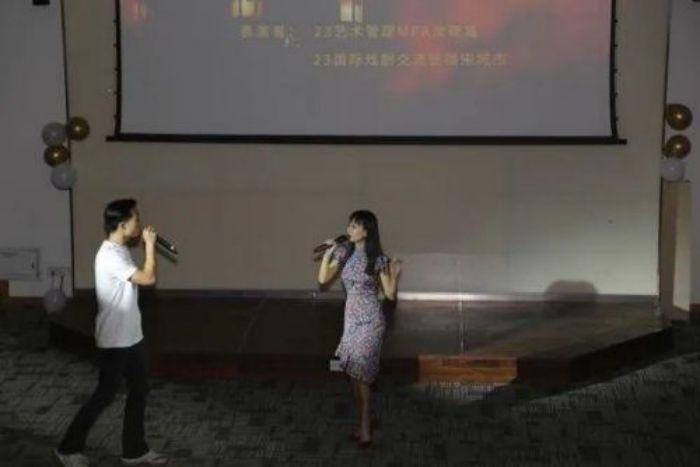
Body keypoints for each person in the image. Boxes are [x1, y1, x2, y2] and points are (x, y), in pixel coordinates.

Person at [55, 199, 168, 466]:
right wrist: (150, 247)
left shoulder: (120, 249)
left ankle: (134, 450)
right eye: (136, 219)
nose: (139, 223)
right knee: (104, 395)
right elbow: (148, 278)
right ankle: (67, 448)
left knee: (139, 389)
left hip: (132, 337)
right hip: (115, 340)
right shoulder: (110, 255)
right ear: (122, 224)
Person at [317, 210, 401, 448]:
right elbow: (323, 279)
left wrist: (394, 275)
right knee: (354, 374)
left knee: (362, 376)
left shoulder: (379, 259)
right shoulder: (344, 252)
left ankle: (365, 428)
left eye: (354, 226)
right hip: (352, 320)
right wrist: (328, 253)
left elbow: (389, 294)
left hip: (371, 322)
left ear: (366, 231)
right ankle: (365, 418)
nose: (349, 230)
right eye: (349, 225)